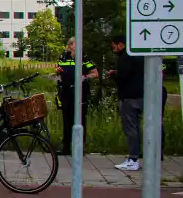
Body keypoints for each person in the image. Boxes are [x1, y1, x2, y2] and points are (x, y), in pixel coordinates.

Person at [107, 34, 169, 170]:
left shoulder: (125, 57)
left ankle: (133, 159)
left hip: (130, 97)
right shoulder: (144, 55)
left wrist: (113, 74)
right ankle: (157, 153)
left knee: (131, 127)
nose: (114, 50)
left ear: (121, 44)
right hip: (151, 95)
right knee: (155, 124)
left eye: (114, 47)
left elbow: (123, 77)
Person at [54, 38, 98, 155]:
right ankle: (66, 147)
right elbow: (58, 70)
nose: (74, 48)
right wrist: (58, 71)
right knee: (66, 120)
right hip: (66, 92)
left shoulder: (84, 58)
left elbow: (95, 73)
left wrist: (85, 77)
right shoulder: (63, 57)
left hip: (81, 93)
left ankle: (79, 148)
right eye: (73, 45)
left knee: (80, 120)